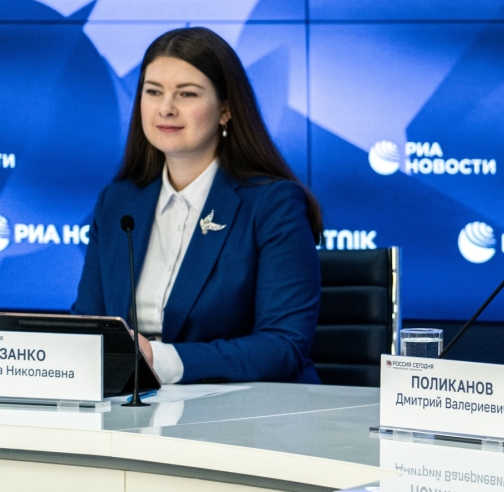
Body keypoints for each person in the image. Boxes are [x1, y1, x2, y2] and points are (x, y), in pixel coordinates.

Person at [73, 27, 323, 384]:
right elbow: (88, 325)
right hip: (131, 402)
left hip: (246, 408)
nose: (166, 108)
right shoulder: (117, 202)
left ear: (226, 110)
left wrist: (159, 360)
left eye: (187, 94)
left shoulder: (273, 204)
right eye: (153, 92)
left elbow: (284, 346)